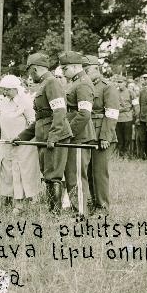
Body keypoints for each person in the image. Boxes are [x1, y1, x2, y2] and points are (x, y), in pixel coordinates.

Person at [14, 52, 72, 213]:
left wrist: (53, 136)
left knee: (53, 175)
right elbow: (41, 117)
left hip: (54, 136)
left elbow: (59, 112)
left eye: (29, 71)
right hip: (44, 135)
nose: (29, 75)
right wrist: (21, 136)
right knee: (47, 174)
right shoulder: (45, 83)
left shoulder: (52, 83)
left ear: (33, 69)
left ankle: (55, 214)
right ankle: (52, 209)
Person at [0, 74, 39, 214]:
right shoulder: (4, 101)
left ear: (15, 88)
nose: (4, 92)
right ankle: (8, 199)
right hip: (6, 142)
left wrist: (23, 137)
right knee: (6, 171)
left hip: (23, 144)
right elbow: (1, 118)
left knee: (20, 172)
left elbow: (32, 122)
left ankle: (20, 204)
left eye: (6, 90)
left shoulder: (26, 101)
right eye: (3, 90)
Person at [81, 55, 118, 215]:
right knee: (88, 171)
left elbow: (111, 114)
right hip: (87, 132)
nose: (84, 73)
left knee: (99, 172)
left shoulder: (107, 87)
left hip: (101, 133)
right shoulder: (85, 85)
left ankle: (102, 207)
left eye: (86, 70)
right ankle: (93, 202)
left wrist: (105, 137)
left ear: (96, 69)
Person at [60, 51, 96, 215]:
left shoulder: (82, 83)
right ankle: (77, 208)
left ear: (75, 67)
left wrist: (69, 133)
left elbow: (84, 114)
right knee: (71, 175)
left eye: (65, 68)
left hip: (79, 137)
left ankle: (81, 212)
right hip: (75, 136)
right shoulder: (75, 82)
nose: (63, 72)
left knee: (77, 177)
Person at [114, 75, 138, 158]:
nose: (119, 84)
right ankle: (120, 155)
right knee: (119, 138)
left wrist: (137, 117)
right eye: (118, 82)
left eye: (121, 82)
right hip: (118, 118)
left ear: (125, 83)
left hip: (127, 118)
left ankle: (127, 154)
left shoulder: (130, 92)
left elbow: (136, 105)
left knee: (127, 138)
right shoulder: (115, 92)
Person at [135, 73, 147, 159]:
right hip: (143, 117)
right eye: (145, 79)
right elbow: (140, 104)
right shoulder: (142, 91)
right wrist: (139, 117)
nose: (146, 81)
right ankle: (143, 155)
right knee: (142, 138)